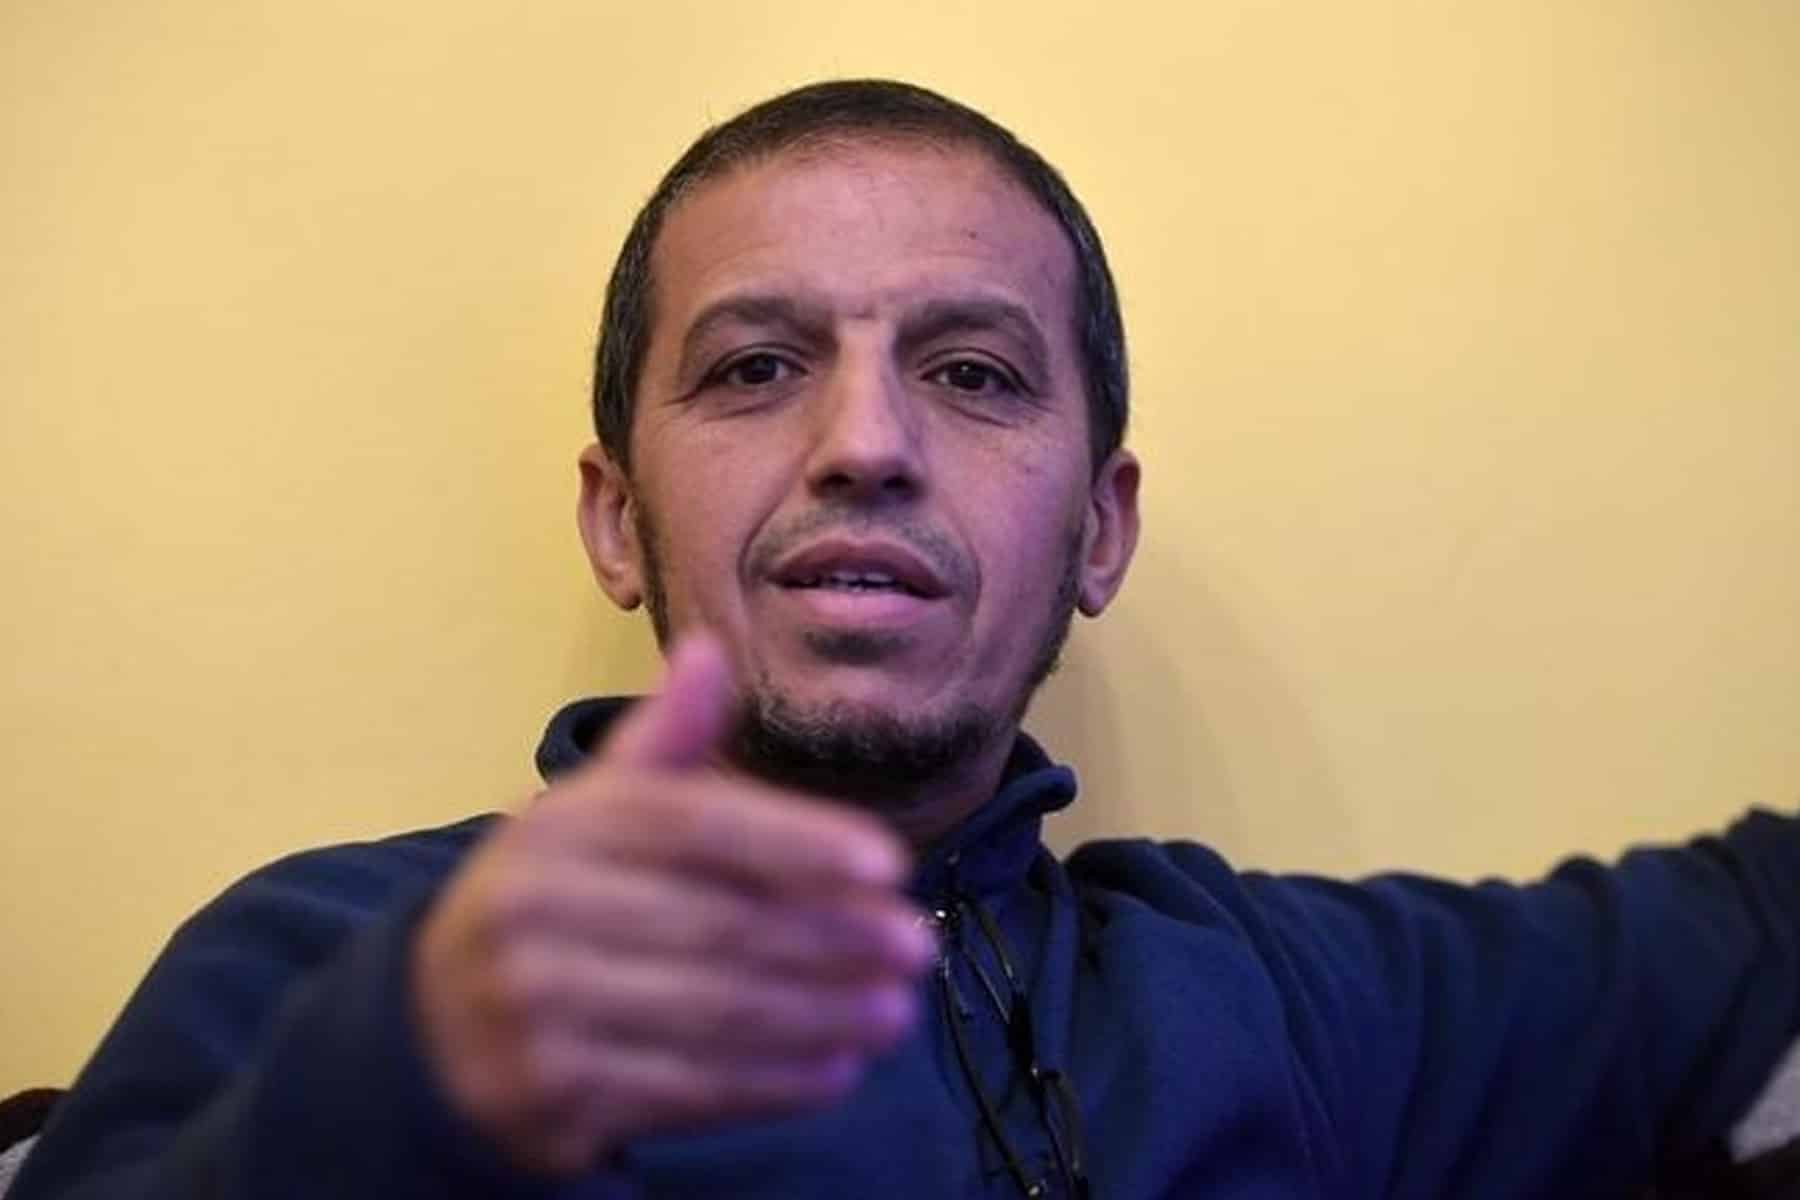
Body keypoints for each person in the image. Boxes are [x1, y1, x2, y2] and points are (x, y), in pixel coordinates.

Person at [11, 79, 1800, 1200]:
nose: (864, 443)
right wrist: (392, 1101)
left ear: (1098, 531)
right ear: (617, 518)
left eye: (972, 373)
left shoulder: (1300, 1001)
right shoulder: (318, 962)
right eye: (755, 367)